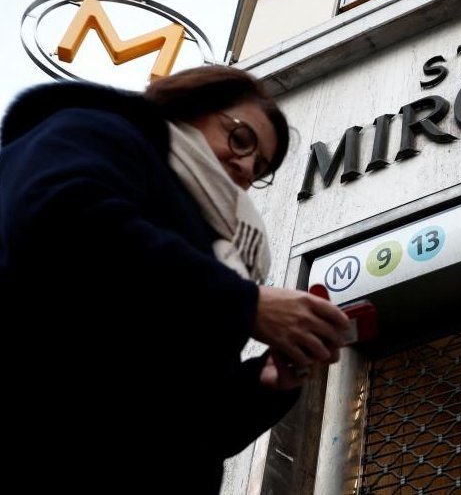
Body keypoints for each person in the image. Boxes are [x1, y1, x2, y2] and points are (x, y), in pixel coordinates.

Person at [0, 66, 350, 492]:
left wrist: (265, 383)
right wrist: (244, 304)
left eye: (259, 168)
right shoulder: (96, 130)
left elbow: (186, 425)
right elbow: (61, 220)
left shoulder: (215, 251)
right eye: (241, 139)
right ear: (191, 106)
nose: (244, 168)